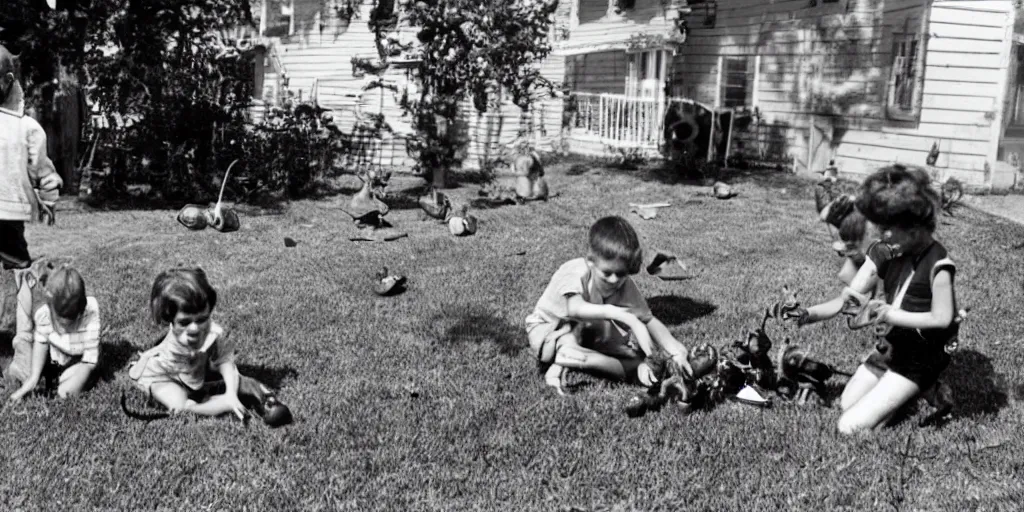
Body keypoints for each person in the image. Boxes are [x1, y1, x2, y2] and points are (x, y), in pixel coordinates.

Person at [796, 164, 960, 434]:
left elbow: (942, 319)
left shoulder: (938, 265)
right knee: (846, 403)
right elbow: (849, 299)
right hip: (893, 345)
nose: (881, 234)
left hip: (922, 354)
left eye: (888, 227)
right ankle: (900, 390)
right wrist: (808, 314)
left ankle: (929, 388)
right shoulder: (887, 250)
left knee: (850, 426)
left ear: (914, 229)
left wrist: (887, 314)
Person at [525, 216, 692, 395]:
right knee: (575, 335)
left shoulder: (625, 285)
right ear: (591, 261)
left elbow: (648, 319)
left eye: (621, 274)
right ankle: (568, 355)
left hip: (590, 335)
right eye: (607, 272)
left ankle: (573, 358)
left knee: (629, 364)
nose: (614, 280)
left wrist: (676, 351)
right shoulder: (576, 271)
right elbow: (574, 308)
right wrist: (624, 316)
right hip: (549, 332)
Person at [127, 267, 291, 425]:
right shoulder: (171, 351)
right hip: (164, 376)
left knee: (236, 379)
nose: (194, 328)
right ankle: (220, 403)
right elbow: (191, 381)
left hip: (195, 372)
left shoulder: (211, 332)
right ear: (169, 319)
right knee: (180, 405)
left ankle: (266, 399)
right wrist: (226, 399)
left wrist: (232, 391)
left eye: (201, 319)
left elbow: (225, 362)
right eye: (184, 322)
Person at [0, 43, 63, 271]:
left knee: (17, 265)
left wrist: (48, 196)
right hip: (8, 213)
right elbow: (42, 171)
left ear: (8, 81)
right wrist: (49, 199)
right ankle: (21, 303)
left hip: (8, 214)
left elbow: (41, 170)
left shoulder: (26, 127)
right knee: (19, 270)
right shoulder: (26, 127)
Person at [8, 266, 100, 401]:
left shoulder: (90, 313)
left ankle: (77, 379)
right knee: (27, 371)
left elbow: (89, 362)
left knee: (65, 392)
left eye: (68, 325)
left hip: (81, 360)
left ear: (80, 313)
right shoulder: (44, 314)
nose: (62, 330)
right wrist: (33, 378)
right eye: (60, 323)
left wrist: (68, 386)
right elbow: (41, 342)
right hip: (56, 355)